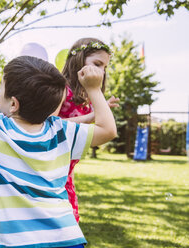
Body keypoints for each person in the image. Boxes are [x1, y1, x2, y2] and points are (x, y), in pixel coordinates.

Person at [0, 55, 117, 247]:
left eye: (1, 88)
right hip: (66, 239)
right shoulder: (61, 131)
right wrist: (94, 89)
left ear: (14, 104)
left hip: (17, 243)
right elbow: (108, 130)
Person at [57, 37, 120, 223]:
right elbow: (52, 125)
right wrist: (92, 116)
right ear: (78, 60)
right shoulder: (60, 88)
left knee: (70, 221)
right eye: (97, 63)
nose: (101, 71)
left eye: (105, 67)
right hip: (50, 167)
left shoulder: (85, 95)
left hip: (67, 169)